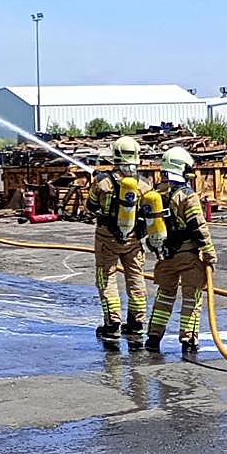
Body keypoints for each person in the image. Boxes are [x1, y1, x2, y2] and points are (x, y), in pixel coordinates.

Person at [145, 147, 217, 355]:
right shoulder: (187, 196)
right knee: (191, 298)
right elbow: (198, 227)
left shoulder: (157, 194)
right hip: (187, 255)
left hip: (166, 255)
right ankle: (188, 341)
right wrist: (209, 253)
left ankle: (153, 337)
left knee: (164, 296)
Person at [86, 135, 152, 342]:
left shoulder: (102, 182)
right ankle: (136, 323)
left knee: (106, 279)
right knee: (136, 279)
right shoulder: (145, 185)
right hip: (133, 240)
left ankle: (112, 324)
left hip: (107, 237)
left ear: (115, 156)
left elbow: (90, 207)